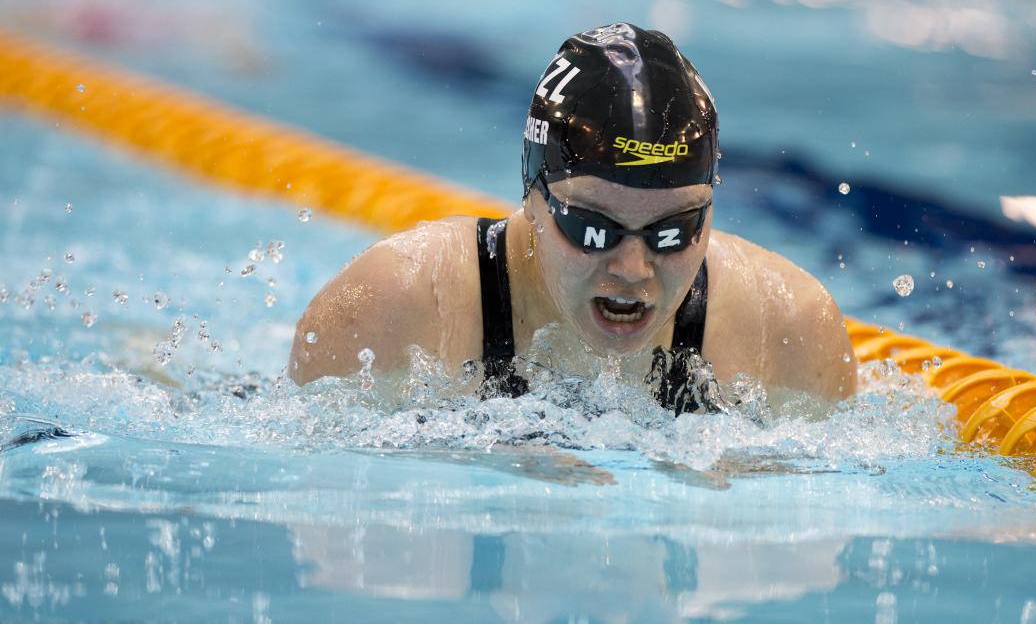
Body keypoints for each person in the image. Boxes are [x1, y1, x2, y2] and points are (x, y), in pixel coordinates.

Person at [289, 23, 855, 413]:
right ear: (532, 198)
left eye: (673, 231)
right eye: (594, 229)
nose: (634, 268)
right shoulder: (398, 308)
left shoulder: (786, 332)